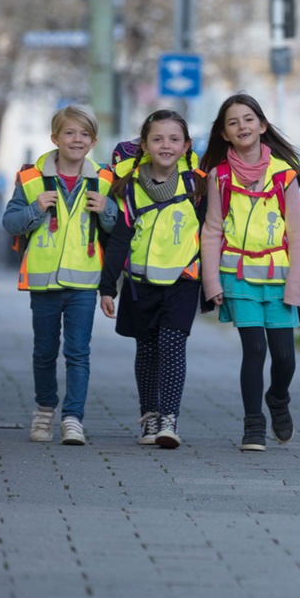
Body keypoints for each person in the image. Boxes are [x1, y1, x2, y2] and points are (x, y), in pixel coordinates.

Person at [2, 105, 117, 446]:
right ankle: (44, 410)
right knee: (44, 351)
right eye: (70, 133)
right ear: (55, 138)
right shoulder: (31, 179)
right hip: (44, 282)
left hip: (84, 282)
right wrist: (36, 208)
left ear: (93, 141)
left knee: (78, 353)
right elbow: (10, 223)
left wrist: (107, 210)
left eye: (84, 134)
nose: (77, 139)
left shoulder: (105, 180)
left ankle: (73, 419)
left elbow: (119, 229)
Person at [199, 93, 300, 452]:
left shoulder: (284, 175)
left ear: (262, 125)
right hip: (238, 276)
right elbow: (212, 230)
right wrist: (212, 282)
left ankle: (278, 398)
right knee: (255, 349)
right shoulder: (219, 177)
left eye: (248, 119)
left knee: (285, 358)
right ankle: (253, 426)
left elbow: (297, 236)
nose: (241, 126)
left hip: (278, 278)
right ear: (224, 134)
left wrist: (295, 286)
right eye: (233, 122)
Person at [99, 110, 207, 449]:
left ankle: (169, 420)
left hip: (183, 281)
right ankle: (149, 415)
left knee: (173, 346)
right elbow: (119, 239)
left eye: (174, 139)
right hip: (139, 284)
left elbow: (211, 233)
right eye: (157, 139)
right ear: (144, 145)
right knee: (146, 351)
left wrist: (214, 283)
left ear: (186, 145)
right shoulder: (129, 189)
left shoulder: (198, 186)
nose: (166, 145)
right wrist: (107, 287)